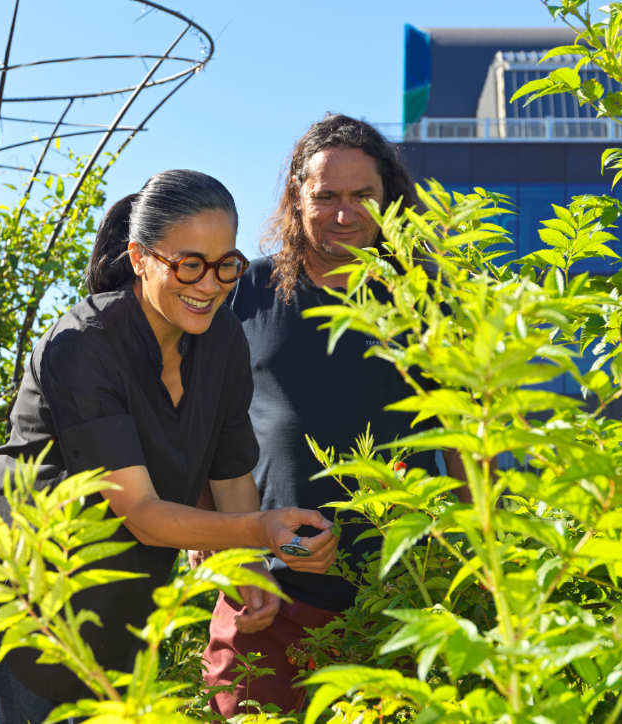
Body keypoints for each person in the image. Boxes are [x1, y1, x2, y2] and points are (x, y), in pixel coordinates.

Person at [0, 170, 340, 723]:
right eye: (189, 264)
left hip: (122, 611)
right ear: (140, 257)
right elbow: (142, 514)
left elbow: (231, 477)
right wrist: (261, 532)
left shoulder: (221, 343)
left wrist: (256, 568)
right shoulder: (82, 347)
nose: (210, 284)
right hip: (32, 611)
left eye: (225, 266)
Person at [198, 114, 467, 716]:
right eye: (325, 196)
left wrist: (479, 552)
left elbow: (466, 443)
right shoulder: (246, 290)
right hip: (265, 591)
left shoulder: (424, 298)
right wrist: (218, 550)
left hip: (398, 597)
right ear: (298, 195)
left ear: (390, 199)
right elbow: (197, 418)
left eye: (362, 196)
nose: (344, 213)